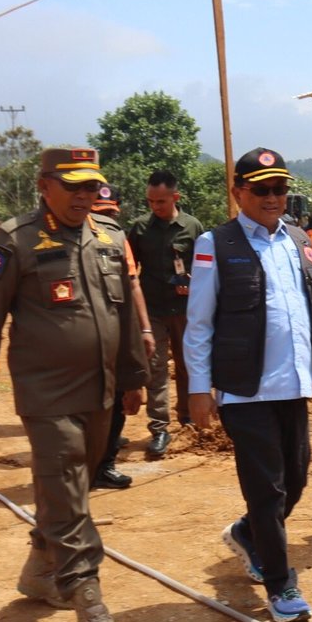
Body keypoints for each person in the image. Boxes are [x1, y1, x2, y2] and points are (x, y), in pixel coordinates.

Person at [0, 147, 147, 622]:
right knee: (67, 486)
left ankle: (41, 569)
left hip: (102, 392)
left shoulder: (110, 238)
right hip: (46, 395)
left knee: (73, 486)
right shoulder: (13, 241)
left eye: (92, 187)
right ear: (45, 185)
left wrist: (134, 379)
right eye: (74, 187)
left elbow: (125, 317)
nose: (85, 197)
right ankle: (91, 608)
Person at [184, 147, 312, 622]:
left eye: (280, 189)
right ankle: (280, 586)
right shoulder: (216, 243)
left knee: (295, 479)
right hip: (245, 389)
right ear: (239, 193)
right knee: (267, 490)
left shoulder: (298, 240)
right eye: (262, 190)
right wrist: (198, 388)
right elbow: (199, 324)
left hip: (294, 384)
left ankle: (248, 534)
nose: (274, 198)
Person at [127, 168, 204, 460]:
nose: (155, 207)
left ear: (175, 197)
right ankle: (160, 427)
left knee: (187, 365)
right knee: (156, 367)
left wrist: (193, 282)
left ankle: (187, 418)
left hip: (186, 310)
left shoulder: (192, 227)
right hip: (153, 309)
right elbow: (130, 270)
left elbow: (205, 266)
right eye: (150, 202)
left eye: (161, 201)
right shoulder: (140, 228)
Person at [88, 183, 157, 491]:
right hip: (80, 339)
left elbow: (132, 284)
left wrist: (143, 328)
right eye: (98, 212)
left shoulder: (116, 239)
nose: (104, 219)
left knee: (116, 399)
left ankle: (104, 464)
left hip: (114, 331)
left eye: (109, 213)